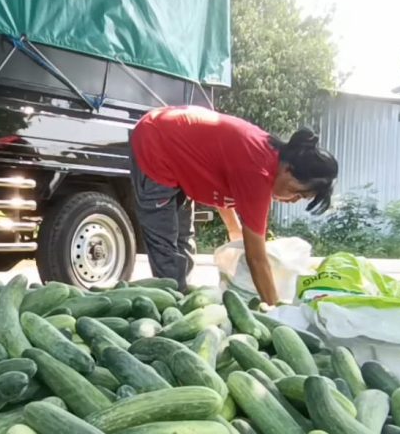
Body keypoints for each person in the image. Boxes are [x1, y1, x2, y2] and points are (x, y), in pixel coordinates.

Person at [128, 105, 338, 305]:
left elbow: (224, 184)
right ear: (289, 170)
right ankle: (171, 304)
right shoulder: (258, 171)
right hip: (156, 142)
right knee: (166, 248)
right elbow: (257, 259)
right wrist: (275, 310)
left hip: (176, 145)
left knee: (184, 240)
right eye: (297, 193)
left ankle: (180, 297)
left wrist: (234, 230)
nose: (293, 200)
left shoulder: (268, 159)